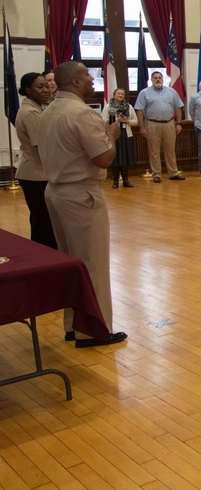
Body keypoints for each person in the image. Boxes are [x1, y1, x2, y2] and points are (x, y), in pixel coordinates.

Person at [37, 62, 128, 347]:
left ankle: (72, 325)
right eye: (88, 76)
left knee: (71, 262)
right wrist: (111, 137)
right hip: (81, 194)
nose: (92, 80)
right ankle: (93, 330)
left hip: (56, 191)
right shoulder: (80, 113)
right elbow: (103, 158)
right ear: (76, 82)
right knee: (92, 263)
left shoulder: (49, 110)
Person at [14, 72, 58, 248]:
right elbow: (41, 146)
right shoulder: (31, 112)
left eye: (47, 86)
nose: (46, 90)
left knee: (45, 221)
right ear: (28, 90)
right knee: (43, 223)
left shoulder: (37, 108)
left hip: (38, 173)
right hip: (35, 174)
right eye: (40, 87)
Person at [135, 71, 185, 183]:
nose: (158, 80)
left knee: (170, 150)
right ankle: (156, 174)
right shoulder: (144, 93)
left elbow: (178, 108)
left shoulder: (171, 92)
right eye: (155, 78)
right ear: (151, 80)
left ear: (162, 79)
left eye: (160, 78)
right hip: (152, 124)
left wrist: (179, 123)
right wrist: (142, 127)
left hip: (169, 123)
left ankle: (173, 173)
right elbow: (139, 110)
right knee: (154, 151)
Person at [102, 87, 138, 188]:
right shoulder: (109, 107)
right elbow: (103, 120)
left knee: (125, 158)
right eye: (118, 94)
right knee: (115, 158)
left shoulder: (129, 107)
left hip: (126, 134)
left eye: (122, 94)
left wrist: (127, 121)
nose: (120, 96)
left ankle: (126, 180)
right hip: (113, 135)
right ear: (114, 95)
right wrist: (117, 120)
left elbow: (135, 121)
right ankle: (115, 180)